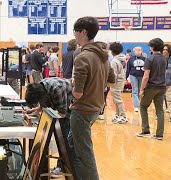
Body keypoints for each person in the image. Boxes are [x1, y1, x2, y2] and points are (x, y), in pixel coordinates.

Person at [71, 16, 115, 179]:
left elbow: (78, 94)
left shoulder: (82, 57)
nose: (74, 35)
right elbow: (111, 82)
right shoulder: (103, 55)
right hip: (96, 107)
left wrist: (72, 85)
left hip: (82, 110)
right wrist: (95, 83)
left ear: (83, 32)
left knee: (85, 152)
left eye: (75, 31)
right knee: (72, 143)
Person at [24, 77, 80, 179]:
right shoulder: (41, 87)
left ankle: (64, 168)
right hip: (62, 106)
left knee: (66, 141)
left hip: (72, 109)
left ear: (40, 96)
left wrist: (46, 117)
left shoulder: (56, 89)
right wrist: (34, 110)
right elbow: (43, 104)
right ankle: (62, 167)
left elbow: (62, 114)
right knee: (65, 139)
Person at [137, 38, 166, 140]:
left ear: (153, 47)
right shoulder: (164, 58)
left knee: (143, 106)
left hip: (151, 87)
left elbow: (146, 76)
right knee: (160, 110)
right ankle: (159, 135)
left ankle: (145, 131)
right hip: (162, 87)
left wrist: (141, 90)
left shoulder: (150, 59)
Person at [109, 42, 128, 123]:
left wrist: (110, 83)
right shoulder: (123, 59)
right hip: (121, 81)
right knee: (116, 99)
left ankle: (123, 116)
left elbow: (114, 74)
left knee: (118, 100)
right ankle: (118, 115)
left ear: (112, 51)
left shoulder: (114, 61)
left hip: (116, 82)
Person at [125, 46, 146, 112]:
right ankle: (136, 106)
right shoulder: (131, 59)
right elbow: (128, 69)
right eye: (136, 50)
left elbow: (147, 69)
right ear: (134, 51)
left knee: (140, 90)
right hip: (133, 75)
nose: (138, 51)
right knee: (135, 90)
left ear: (141, 51)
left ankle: (139, 103)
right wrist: (126, 78)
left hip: (141, 76)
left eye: (139, 50)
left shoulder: (145, 59)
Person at [163, 44, 171, 122]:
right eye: (163, 49)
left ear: (169, 51)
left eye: (166, 49)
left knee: (170, 100)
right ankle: (159, 115)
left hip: (169, 83)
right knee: (159, 101)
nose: (164, 51)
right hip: (159, 84)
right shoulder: (160, 59)